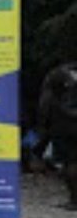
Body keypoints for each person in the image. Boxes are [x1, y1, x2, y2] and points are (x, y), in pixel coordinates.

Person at [35, 61, 77, 209]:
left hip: (64, 124)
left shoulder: (57, 74)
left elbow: (45, 103)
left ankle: (74, 200)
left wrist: (42, 126)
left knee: (70, 162)